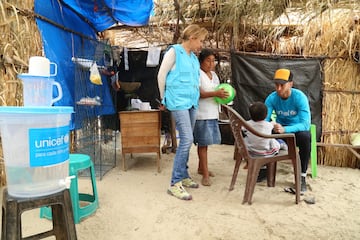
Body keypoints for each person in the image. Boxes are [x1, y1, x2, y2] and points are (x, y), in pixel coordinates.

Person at [157, 24, 208, 200]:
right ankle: (175, 183)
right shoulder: (174, 52)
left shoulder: (193, 57)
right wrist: (163, 98)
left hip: (191, 102)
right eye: (200, 41)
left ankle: (184, 176)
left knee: (188, 139)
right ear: (192, 38)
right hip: (177, 102)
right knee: (187, 139)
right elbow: (161, 75)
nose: (201, 44)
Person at [265, 68, 311, 193]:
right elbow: (264, 120)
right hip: (279, 129)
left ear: (291, 84)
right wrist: (270, 124)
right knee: (263, 133)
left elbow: (305, 124)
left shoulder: (299, 97)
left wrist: (285, 129)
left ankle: (301, 178)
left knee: (306, 137)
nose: (279, 88)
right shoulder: (272, 98)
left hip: (295, 130)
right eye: (276, 85)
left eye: (282, 85)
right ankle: (264, 168)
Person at [193, 49, 228, 187]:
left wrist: (223, 97)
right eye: (208, 60)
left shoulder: (214, 75)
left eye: (213, 61)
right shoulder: (197, 74)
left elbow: (218, 92)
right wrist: (216, 93)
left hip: (212, 113)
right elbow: (199, 94)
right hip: (201, 114)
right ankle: (205, 175)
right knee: (203, 144)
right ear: (201, 61)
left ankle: (201, 168)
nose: (211, 63)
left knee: (205, 143)